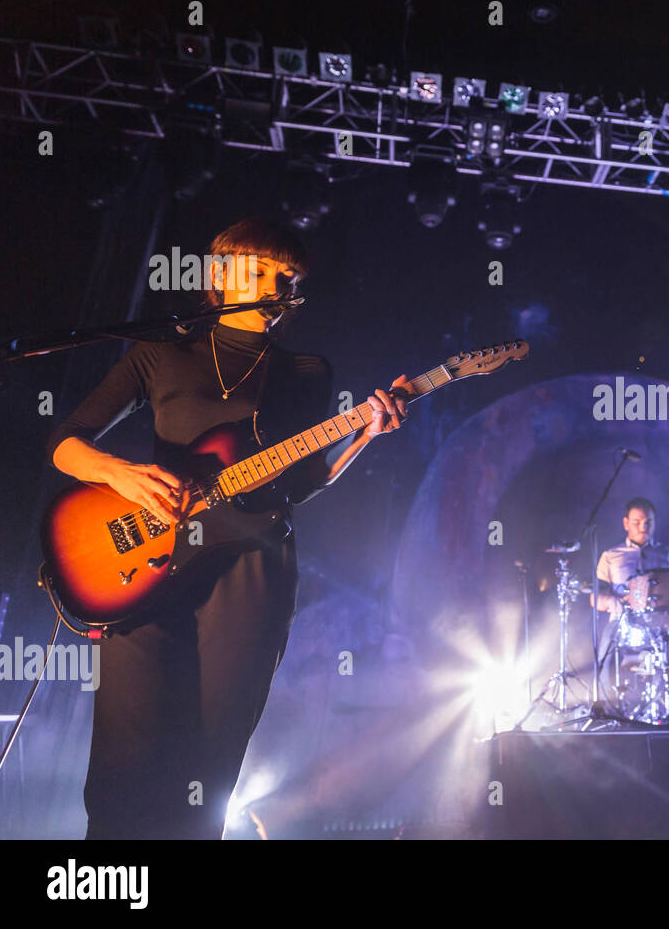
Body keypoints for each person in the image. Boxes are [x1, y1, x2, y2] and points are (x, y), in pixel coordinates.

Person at [47, 218, 410, 838]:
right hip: (148, 565)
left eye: (291, 277)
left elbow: (301, 482)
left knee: (209, 766)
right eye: (268, 269)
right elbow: (65, 442)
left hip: (250, 568)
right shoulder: (161, 352)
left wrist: (361, 439)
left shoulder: (305, 371)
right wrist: (124, 476)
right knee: (123, 760)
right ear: (222, 273)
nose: (282, 285)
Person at [594, 497, 669, 613]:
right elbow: (596, 597)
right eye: (637, 522)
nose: (643, 528)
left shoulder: (668, 554)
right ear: (626, 524)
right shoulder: (610, 556)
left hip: (661, 623)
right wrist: (610, 601)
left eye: (648, 522)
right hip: (622, 624)